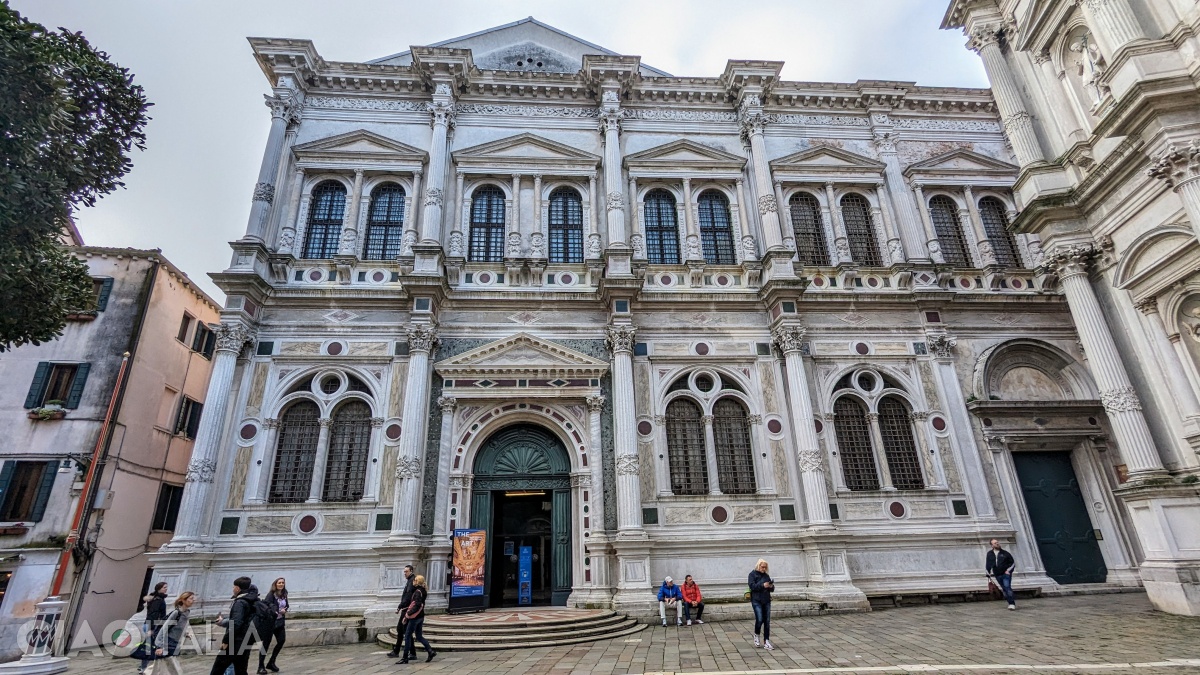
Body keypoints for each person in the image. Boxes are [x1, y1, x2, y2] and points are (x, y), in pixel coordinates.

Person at [210, 576, 258, 675]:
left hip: (235, 641)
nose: (233, 589)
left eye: (233, 587)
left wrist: (226, 640)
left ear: (237, 588)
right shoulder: (252, 600)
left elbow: (236, 623)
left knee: (218, 668)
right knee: (241, 669)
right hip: (247, 640)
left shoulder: (240, 602)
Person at [147, 591, 195, 675]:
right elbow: (164, 629)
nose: (193, 600)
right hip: (167, 643)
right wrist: (159, 646)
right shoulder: (176, 613)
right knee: (172, 669)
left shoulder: (187, 613)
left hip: (175, 644)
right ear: (184, 600)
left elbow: (180, 627)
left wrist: (186, 633)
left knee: (161, 669)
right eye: (191, 598)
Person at [397, 575, 436, 664]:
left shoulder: (418, 592)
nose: (413, 581)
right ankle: (430, 651)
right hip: (420, 616)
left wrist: (408, 614)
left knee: (407, 636)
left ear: (417, 581)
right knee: (419, 636)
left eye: (414, 580)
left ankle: (405, 658)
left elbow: (417, 605)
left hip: (414, 617)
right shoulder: (423, 591)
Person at [257, 578, 288, 674]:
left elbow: (287, 605)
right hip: (270, 623)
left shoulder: (284, 594)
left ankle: (272, 661)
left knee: (281, 640)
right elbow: (266, 606)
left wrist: (285, 610)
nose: (281, 584)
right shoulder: (271, 595)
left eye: (283, 583)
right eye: (279, 583)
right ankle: (260, 666)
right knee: (266, 644)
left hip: (279, 622)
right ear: (275, 584)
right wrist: (276, 611)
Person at [385, 565, 416, 660]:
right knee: (406, 631)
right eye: (404, 572)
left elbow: (407, 597)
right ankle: (411, 652)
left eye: (406, 571)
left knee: (401, 629)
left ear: (411, 571)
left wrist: (400, 606)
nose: (404, 573)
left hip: (407, 609)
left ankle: (397, 651)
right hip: (406, 608)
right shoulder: (410, 581)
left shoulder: (411, 582)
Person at [139, 582, 168, 674]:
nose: (166, 589)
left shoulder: (157, 598)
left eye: (166, 587)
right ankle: (143, 668)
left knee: (151, 647)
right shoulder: (158, 600)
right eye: (164, 587)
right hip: (152, 626)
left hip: (151, 625)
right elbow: (153, 614)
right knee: (150, 647)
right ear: (159, 588)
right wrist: (151, 629)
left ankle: (146, 667)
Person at [748, 559, 774, 650]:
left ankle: (766, 640)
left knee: (767, 621)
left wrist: (771, 586)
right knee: (759, 619)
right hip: (756, 600)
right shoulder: (752, 574)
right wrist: (763, 585)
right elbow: (752, 586)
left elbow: (772, 589)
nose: (764, 569)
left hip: (766, 600)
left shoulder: (766, 576)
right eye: (762, 567)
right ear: (758, 566)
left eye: (765, 567)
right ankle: (756, 635)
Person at [985, 538, 1017, 610]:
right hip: (997, 574)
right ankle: (1009, 601)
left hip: (1005, 573)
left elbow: (1012, 563)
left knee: (1007, 587)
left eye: (997, 542)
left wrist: (1008, 571)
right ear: (992, 545)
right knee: (1004, 588)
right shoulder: (989, 554)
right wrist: (988, 572)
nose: (997, 544)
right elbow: (988, 563)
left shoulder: (1005, 553)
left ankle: (1012, 603)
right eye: (995, 543)